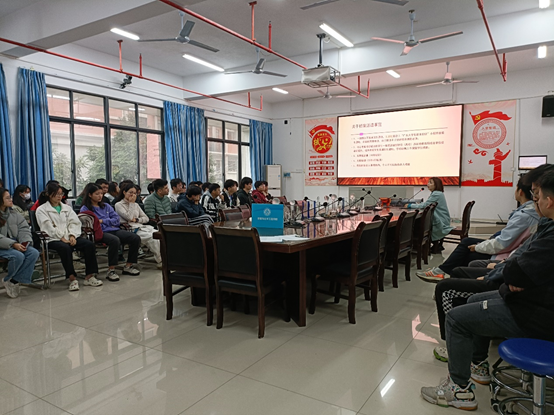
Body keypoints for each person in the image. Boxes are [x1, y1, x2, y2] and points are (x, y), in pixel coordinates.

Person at [420, 169, 554, 411]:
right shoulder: (547, 225)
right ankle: (477, 364)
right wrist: (512, 272)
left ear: (549, 200)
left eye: (538, 195)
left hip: (535, 312)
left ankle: (459, 390)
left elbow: (516, 267)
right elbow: (518, 262)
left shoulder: (550, 235)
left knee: (456, 317)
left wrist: (511, 273)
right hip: (530, 299)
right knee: (475, 299)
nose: (535, 201)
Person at [417, 176, 539, 282]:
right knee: (466, 243)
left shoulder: (524, 216)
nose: (428, 184)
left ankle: (444, 275)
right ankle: (442, 272)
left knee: (465, 253)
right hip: (508, 249)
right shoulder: (530, 211)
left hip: (504, 254)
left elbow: (503, 244)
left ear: (520, 192)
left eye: (430, 182)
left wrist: (478, 247)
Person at [36, 182, 102, 291]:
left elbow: (75, 222)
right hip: (53, 238)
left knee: (89, 245)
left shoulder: (67, 208)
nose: (59, 196)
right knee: (65, 248)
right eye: (56, 194)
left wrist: (72, 235)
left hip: (70, 237)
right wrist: (61, 237)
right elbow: (47, 227)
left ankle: (90, 276)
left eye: (61, 194)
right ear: (49, 194)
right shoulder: (42, 210)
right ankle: (72, 278)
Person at [80, 183, 141, 281]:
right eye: (97, 194)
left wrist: (103, 221)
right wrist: (107, 221)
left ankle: (129, 265)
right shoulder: (85, 209)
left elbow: (116, 219)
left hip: (114, 229)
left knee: (135, 238)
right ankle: (111, 270)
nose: (100, 196)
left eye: (101, 193)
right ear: (90, 195)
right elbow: (92, 224)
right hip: (99, 232)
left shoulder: (106, 206)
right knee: (114, 240)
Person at [0, 188, 40, 298]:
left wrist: (24, 242)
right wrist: (13, 244)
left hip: (15, 244)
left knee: (33, 253)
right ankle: (9, 279)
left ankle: (13, 281)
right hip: (4, 246)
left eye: (10, 197)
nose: (11, 199)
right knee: (18, 256)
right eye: (7, 198)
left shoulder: (14, 214)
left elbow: (24, 228)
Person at [115, 183, 162, 268]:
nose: (133, 195)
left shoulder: (136, 205)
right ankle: (160, 260)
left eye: (135, 193)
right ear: (124, 192)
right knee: (153, 238)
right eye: (130, 192)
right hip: (130, 229)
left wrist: (137, 220)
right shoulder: (119, 205)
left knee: (160, 235)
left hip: (141, 227)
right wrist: (131, 203)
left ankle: (167, 258)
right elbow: (129, 217)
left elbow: (146, 218)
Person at [405, 177, 453, 253]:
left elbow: (425, 205)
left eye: (430, 183)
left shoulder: (436, 194)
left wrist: (410, 205)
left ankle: (417, 245)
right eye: (428, 182)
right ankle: (423, 245)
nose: (428, 184)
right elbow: (427, 204)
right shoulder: (437, 193)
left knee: (416, 224)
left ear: (436, 185)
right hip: (442, 218)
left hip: (441, 221)